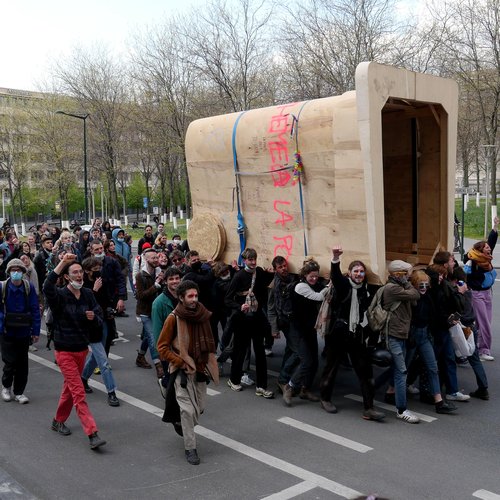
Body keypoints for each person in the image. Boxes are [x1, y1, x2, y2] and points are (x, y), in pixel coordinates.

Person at [43, 253, 106, 449]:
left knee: (69, 389)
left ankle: (57, 420)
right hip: (64, 351)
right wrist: (62, 262)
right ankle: (92, 433)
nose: (79, 275)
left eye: (80, 272)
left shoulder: (87, 294)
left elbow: (98, 317)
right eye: (74, 272)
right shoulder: (60, 295)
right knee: (78, 392)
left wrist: (92, 318)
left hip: (81, 350)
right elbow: (47, 286)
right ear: (67, 276)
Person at [318, 247, 385, 420]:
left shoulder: (367, 289)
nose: (359, 274)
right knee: (331, 369)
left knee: (365, 372)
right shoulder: (343, 286)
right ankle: (325, 399)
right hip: (339, 334)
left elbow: (369, 313)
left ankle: (369, 408)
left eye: (362, 271)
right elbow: (335, 276)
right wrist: (335, 258)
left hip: (357, 335)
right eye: (356, 271)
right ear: (349, 273)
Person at [157, 280, 218, 465]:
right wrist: (179, 361)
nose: (194, 299)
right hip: (181, 371)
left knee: (198, 409)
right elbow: (162, 347)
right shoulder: (173, 318)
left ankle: (179, 422)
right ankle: (190, 448)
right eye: (190, 296)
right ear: (181, 298)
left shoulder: (203, 315)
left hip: (200, 369)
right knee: (187, 411)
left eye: (196, 295)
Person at [224, 248, 274, 398]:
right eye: (250, 260)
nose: (253, 262)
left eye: (254, 259)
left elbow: (265, 283)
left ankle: (261, 386)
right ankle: (234, 380)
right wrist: (240, 306)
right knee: (240, 351)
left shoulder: (258, 271)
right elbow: (227, 299)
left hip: (257, 318)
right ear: (244, 260)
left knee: (260, 353)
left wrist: (271, 272)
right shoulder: (239, 276)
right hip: (242, 319)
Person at [405, 270, 456, 414]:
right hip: (413, 336)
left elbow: (434, 317)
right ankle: (390, 391)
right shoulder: (411, 299)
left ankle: (439, 402)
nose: (423, 287)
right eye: (420, 285)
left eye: (426, 285)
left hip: (424, 336)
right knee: (404, 367)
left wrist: (448, 322)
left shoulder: (428, 298)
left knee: (433, 368)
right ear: (414, 285)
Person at [282, 259, 329, 406]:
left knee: (314, 361)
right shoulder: (301, 286)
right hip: (298, 330)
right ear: (305, 275)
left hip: (309, 329)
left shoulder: (314, 284)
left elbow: (320, 288)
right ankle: (289, 386)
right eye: (311, 276)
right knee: (306, 361)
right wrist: (329, 286)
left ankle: (305, 389)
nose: (314, 279)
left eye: (316, 276)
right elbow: (319, 297)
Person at [383, 260, 421, 424]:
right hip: (394, 335)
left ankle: (372, 388)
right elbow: (416, 295)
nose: (408, 277)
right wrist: (407, 284)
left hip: (402, 334)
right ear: (398, 275)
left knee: (397, 368)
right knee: (401, 371)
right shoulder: (392, 288)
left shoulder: (399, 287)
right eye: (405, 275)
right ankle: (401, 409)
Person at [80, 257, 120, 407]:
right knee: (103, 360)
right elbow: (84, 305)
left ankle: (83, 378)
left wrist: (111, 308)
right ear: (87, 271)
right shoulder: (83, 284)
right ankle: (112, 392)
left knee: (97, 355)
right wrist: (94, 290)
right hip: (91, 325)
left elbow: (106, 299)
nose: (98, 272)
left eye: (99, 268)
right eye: (95, 269)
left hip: (104, 321)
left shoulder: (102, 280)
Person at [0, 259, 41, 404]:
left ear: (23, 272)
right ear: (9, 272)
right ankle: (6, 387)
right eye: (13, 270)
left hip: (24, 331)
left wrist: (36, 331)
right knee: (9, 362)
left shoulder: (28, 287)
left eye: (18, 270)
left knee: (22, 364)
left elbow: (35, 310)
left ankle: (19, 392)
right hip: (7, 331)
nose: (16, 273)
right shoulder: (3, 287)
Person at [463, 217, 498, 361]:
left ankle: (475, 345)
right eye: (487, 247)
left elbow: (492, 241)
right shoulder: (472, 260)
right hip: (477, 295)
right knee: (484, 324)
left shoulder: (486, 258)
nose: (489, 249)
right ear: (480, 250)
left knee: (484, 323)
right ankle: (484, 350)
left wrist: (495, 227)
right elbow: (465, 274)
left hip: (487, 294)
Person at [268, 256, 299, 395]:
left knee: (290, 350)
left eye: (285, 265)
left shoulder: (293, 278)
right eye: (280, 267)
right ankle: (283, 379)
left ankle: (284, 377)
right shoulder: (274, 285)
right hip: (285, 320)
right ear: (275, 269)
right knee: (298, 351)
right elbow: (271, 308)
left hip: (295, 318)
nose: (284, 269)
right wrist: (274, 329)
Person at [135, 248, 164, 379]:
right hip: (145, 312)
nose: (156, 260)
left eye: (156, 257)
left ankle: (140, 357)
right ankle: (158, 365)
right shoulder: (140, 275)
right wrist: (156, 285)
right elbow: (141, 296)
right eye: (153, 258)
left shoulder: (160, 273)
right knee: (153, 337)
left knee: (148, 335)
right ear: (146, 260)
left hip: (156, 312)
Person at [152, 267, 181, 394]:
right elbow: (157, 330)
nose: (175, 281)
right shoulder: (159, 303)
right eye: (171, 279)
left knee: (181, 377)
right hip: (168, 347)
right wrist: (162, 352)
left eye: (177, 278)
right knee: (171, 380)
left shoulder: (185, 298)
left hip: (183, 346)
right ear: (165, 282)